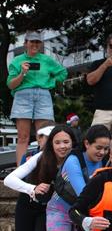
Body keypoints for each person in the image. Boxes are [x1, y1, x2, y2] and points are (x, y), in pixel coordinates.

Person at [7, 31, 68, 166]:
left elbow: (63, 73)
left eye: (37, 42)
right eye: (32, 41)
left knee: (45, 135)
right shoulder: (17, 61)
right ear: (25, 43)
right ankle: (21, 170)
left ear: (40, 44)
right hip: (23, 96)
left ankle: (44, 169)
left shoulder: (46, 60)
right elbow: (10, 84)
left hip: (43, 95)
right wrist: (22, 73)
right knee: (23, 137)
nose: (35, 44)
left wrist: (51, 81)